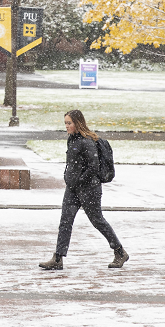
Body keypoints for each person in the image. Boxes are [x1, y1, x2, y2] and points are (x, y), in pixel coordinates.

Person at [39, 109, 129, 271]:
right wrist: (69, 178)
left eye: (69, 123)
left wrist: (79, 181)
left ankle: (119, 252)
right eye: (65, 123)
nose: (66, 126)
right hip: (73, 189)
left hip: (89, 189)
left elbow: (93, 167)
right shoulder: (72, 140)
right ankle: (58, 258)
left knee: (97, 221)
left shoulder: (87, 141)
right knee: (65, 222)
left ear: (77, 123)